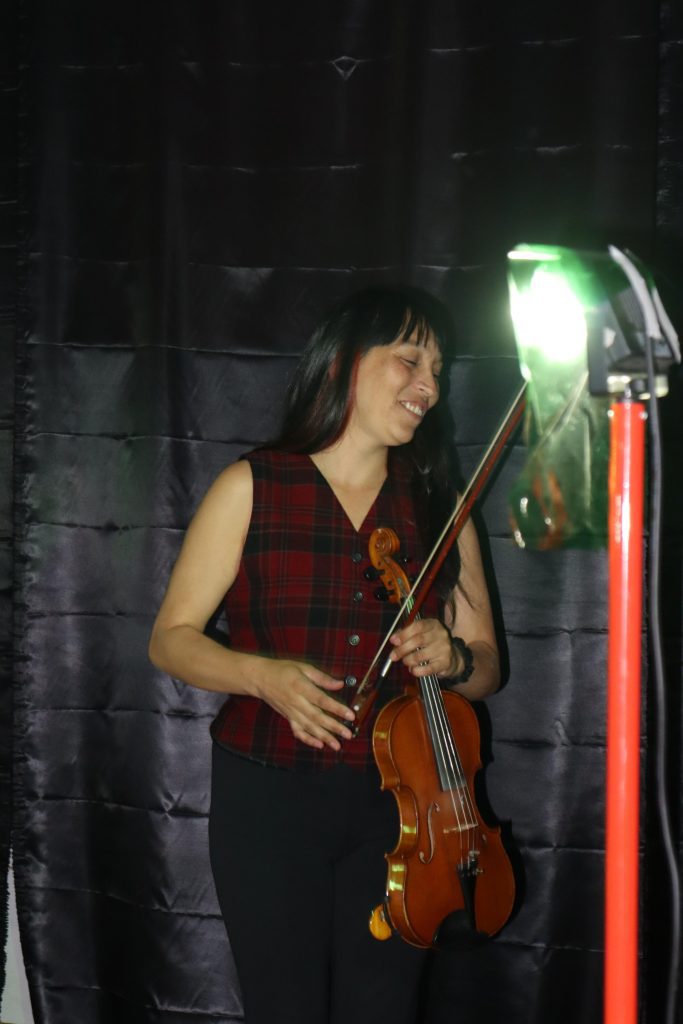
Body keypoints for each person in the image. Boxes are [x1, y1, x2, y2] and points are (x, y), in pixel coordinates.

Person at [148, 286, 500, 1024]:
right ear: (343, 363)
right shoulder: (252, 485)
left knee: (384, 1008)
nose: (430, 387)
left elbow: (486, 666)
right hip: (268, 800)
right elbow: (171, 638)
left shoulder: (442, 509)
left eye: (438, 370)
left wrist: (455, 659)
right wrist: (261, 677)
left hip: (403, 814)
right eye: (410, 360)